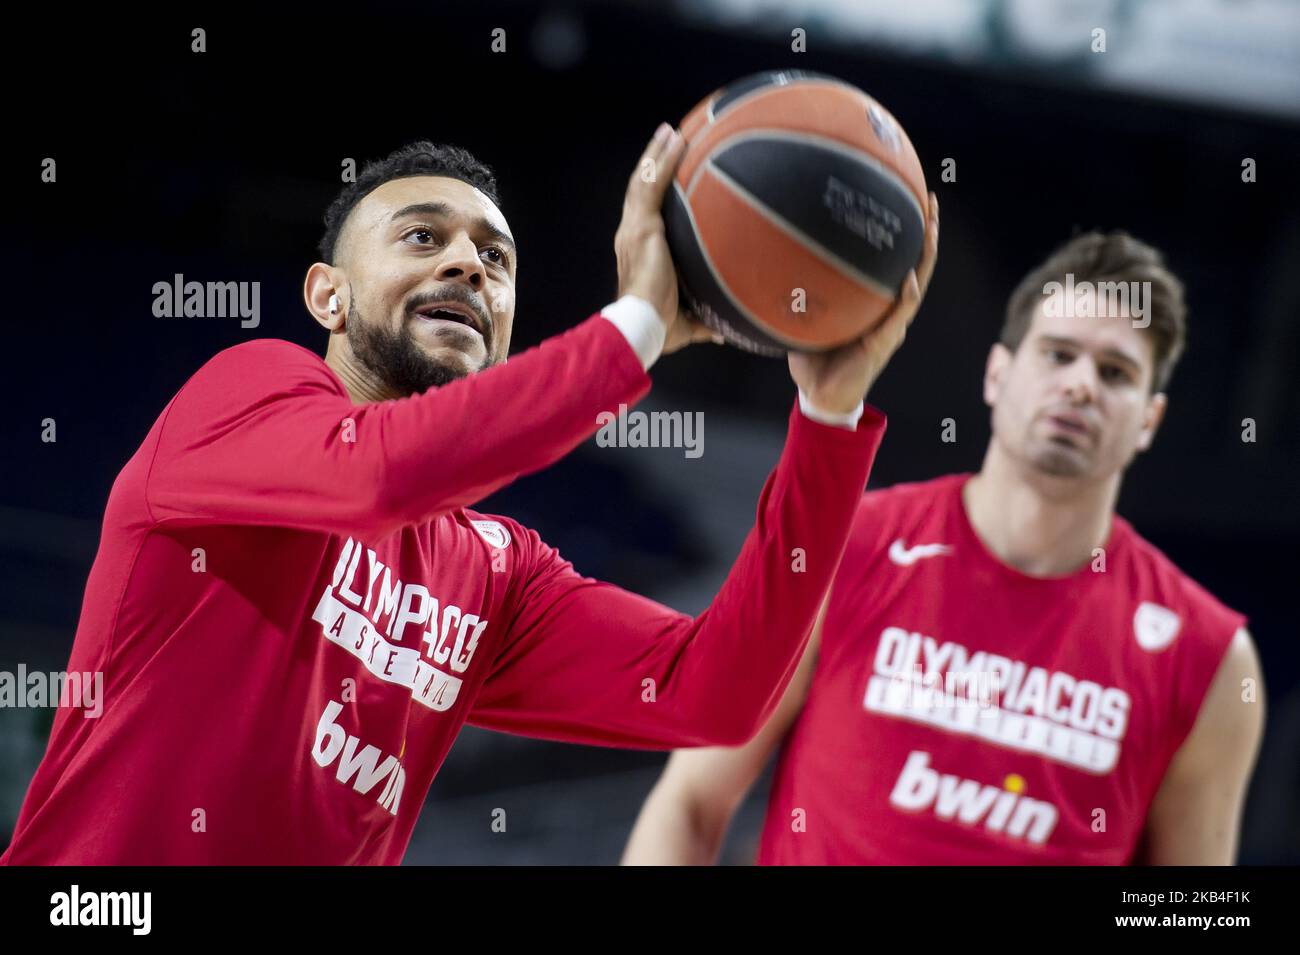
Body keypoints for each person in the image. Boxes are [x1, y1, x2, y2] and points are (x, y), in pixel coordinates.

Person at [0, 125, 938, 864]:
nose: (467, 266)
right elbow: (379, 475)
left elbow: (712, 695)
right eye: (423, 237)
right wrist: (636, 328)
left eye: (496, 258)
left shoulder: (495, 574)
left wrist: (828, 416)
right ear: (327, 296)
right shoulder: (246, 393)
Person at [623, 231, 1264, 865]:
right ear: (997, 375)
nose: (1080, 386)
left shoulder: (1207, 654)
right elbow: (690, 805)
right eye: (1057, 354)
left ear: (1148, 420)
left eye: (1115, 372)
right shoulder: (843, 545)